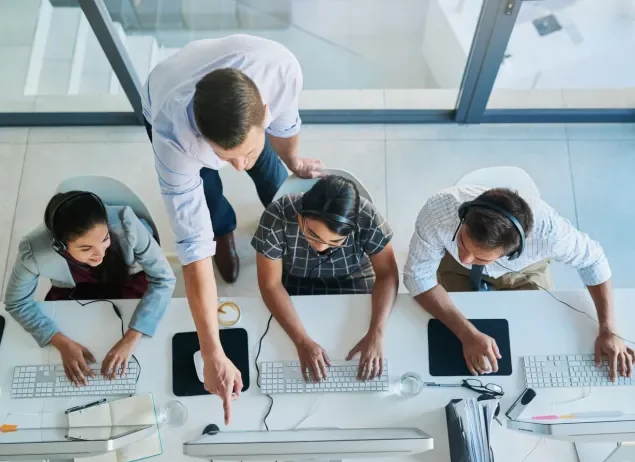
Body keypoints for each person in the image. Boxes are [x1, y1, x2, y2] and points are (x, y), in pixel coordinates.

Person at [142, 34, 322, 423]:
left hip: (245, 93)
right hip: (165, 89)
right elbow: (193, 250)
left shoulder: (280, 69)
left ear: (265, 111)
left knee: (272, 172)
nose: (238, 166)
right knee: (207, 196)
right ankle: (225, 231)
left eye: (246, 152)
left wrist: (292, 161)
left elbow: (286, 124)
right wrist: (213, 353)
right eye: (227, 157)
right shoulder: (173, 138)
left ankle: (274, 197)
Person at [403, 185, 634, 381]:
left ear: (512, 251)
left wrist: (609, 329)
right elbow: (417, 277)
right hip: (451, 266)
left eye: (480, 256)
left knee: (533, 342)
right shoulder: (438, 213)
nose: (466, 258)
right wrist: (467, 333)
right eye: (463, 241)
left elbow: (594, 261)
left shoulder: (550, 233)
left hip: (525, 271)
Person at [4, 191, 176, 386]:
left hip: (126, 280)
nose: (99, 254)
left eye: (105, 240)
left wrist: (131, 336)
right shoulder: (33, 249)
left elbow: (164, 279)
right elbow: (16, 301)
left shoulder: (126, 223)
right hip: (75, 289)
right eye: (86, 249)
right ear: (60, 246)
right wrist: (59, 341)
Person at [252, 175, 399, 381]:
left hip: (352, 277)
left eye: (335, 241)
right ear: (300, 216)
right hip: (295, 279)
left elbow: (387, 274)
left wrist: (377, 332)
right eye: (312, 234)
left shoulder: (367, 216)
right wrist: (301, 341)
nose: (320, 247)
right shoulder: (276, 216)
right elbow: (270, 284)